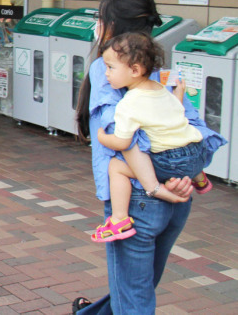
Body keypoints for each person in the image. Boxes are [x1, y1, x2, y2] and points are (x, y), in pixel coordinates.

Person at [72, 0, 226, 314]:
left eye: (100, 18)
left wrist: (155, 184)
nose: (98, 25)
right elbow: (194, 128)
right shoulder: (160, 68)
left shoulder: (107, 66)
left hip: (137, 198)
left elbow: (123, 136)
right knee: (139, 287)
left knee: (134, 295)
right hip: (178, 194)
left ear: (112, 25)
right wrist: (183, 173)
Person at [91, 32, 217, 244]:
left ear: (135, 70)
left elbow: (123, 142)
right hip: (196, 156)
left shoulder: (128, 103)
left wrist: (102, 137)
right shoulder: (161, 89)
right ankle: (200, 180)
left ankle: (119, 219)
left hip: (170, 163)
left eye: (111, 68)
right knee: (179, 137)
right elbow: (177, 110)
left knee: (116, 166)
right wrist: (178, 94)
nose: (106, 74)